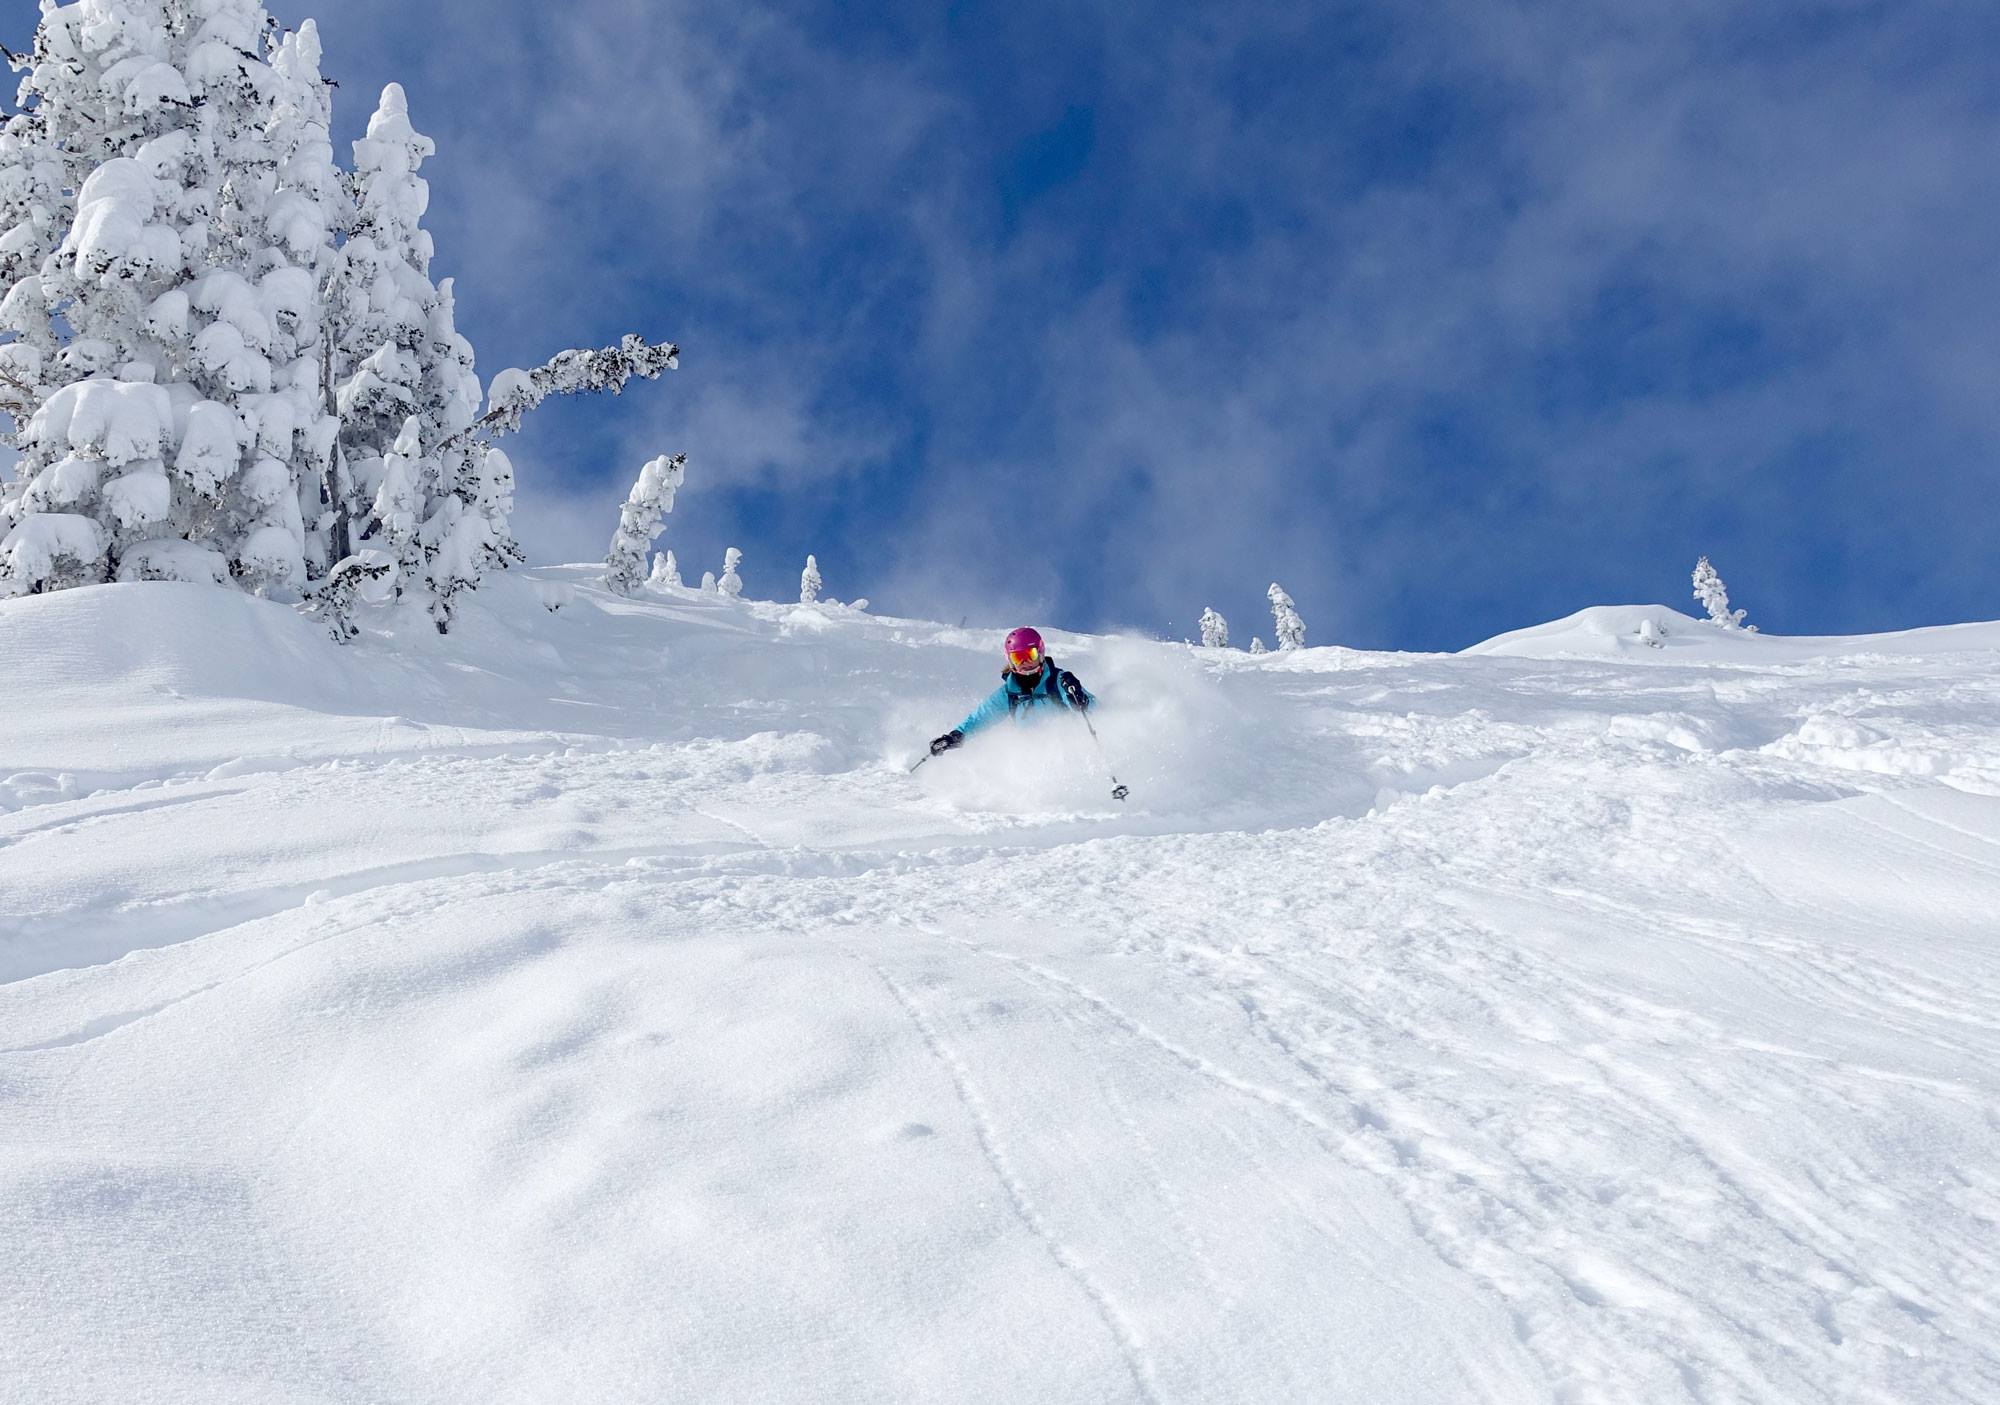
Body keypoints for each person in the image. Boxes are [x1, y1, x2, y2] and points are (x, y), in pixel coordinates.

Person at [930, 626, 1095, 756]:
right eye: (1018, 657)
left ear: (1041, 653)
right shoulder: (1009, 693)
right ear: (1009, 660)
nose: (1024, 663)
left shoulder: (1057, 681)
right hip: (1033, 760)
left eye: (1030, 655)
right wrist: (955, 736)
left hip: (1070, 752)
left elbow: (1098, 713)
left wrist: (1080, 698)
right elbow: (982, 717)